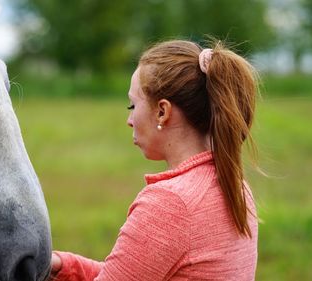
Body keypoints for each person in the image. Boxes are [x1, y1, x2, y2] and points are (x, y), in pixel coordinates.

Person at [50, 39, 259, 280]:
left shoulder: (170, 204)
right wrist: (63, 265)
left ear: (162, 111)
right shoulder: (235, 185)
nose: (129, 119)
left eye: (133, 104)